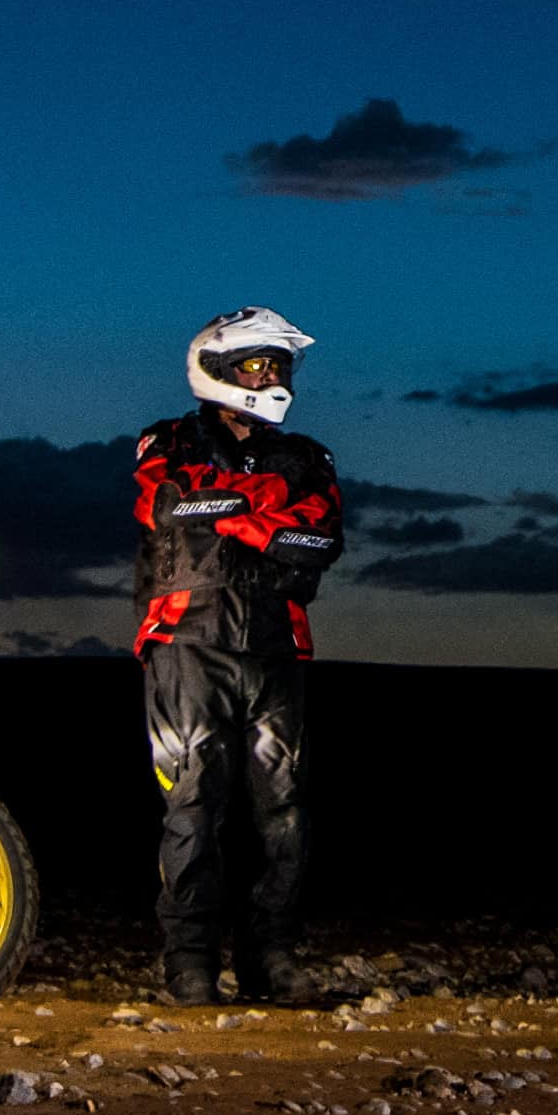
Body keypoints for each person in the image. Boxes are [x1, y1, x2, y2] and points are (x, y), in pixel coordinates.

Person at [131, 304, 340, 1006]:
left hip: (277, 644)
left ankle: (271, 959)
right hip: (187, 639)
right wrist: (270, 516)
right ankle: (189, 965)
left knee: (282, 810)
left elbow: (322, 539)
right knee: (190, 804)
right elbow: (167, 505)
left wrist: (234, 512)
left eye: (278, 365)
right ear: (217, 368)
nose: (271, 376)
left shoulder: (310, 456)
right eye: (257, 364)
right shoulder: (166, 440)